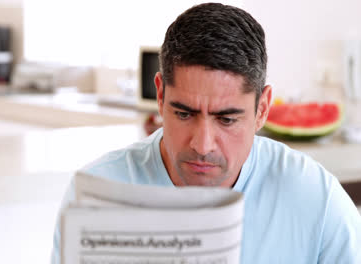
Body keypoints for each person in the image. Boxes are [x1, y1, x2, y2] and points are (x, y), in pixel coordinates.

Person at [51, 3, 361, 263]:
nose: (202, 145)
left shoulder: (318, 201)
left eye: (226, 119)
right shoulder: (96, 195)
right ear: (160, 96)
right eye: (184, 114)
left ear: (262, 109)